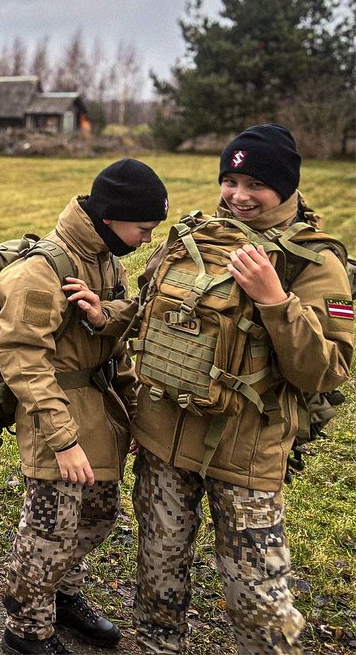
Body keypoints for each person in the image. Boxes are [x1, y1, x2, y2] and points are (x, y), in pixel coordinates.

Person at [131, 125, 352, 654]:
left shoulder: (317, 264)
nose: (238, 195)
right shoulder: (197, 238)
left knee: (258, 599)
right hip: (165, 441)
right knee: (158, 577)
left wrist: (275, 299)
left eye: (255, 182)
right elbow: (149, 312)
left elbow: (330, 369)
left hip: (247, 455)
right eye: (230, 180)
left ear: (286, 186)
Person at [0, 158, 168, 655]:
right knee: (50, 529)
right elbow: (23, 359)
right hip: (55, 414)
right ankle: (27, 629)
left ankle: (62, 598)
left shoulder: (107, 261)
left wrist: (131, 411)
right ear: (112, 217)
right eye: (143, 228)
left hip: (100, 408)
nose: (147, 240)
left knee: (96, 516)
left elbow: (115, 349)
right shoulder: (40, 269)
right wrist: (64, 439)